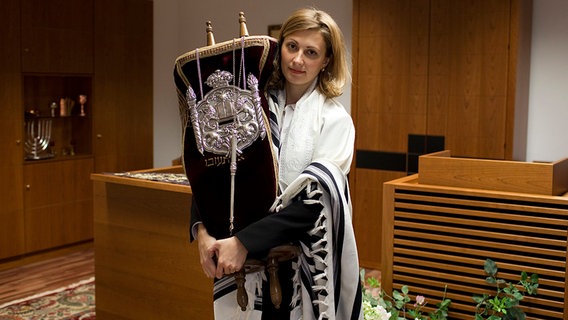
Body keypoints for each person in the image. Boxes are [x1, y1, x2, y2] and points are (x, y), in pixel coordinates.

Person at [192, 7, 363, 319]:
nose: (298, 60)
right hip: (236, 262)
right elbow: (212, 168)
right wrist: (201, 232)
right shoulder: (249, 105)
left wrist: (244, 242)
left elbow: (314, 204)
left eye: (311, 52)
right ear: (279, 47)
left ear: (326, 61)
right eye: (292, 46)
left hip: (295, 266)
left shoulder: (335, 119)